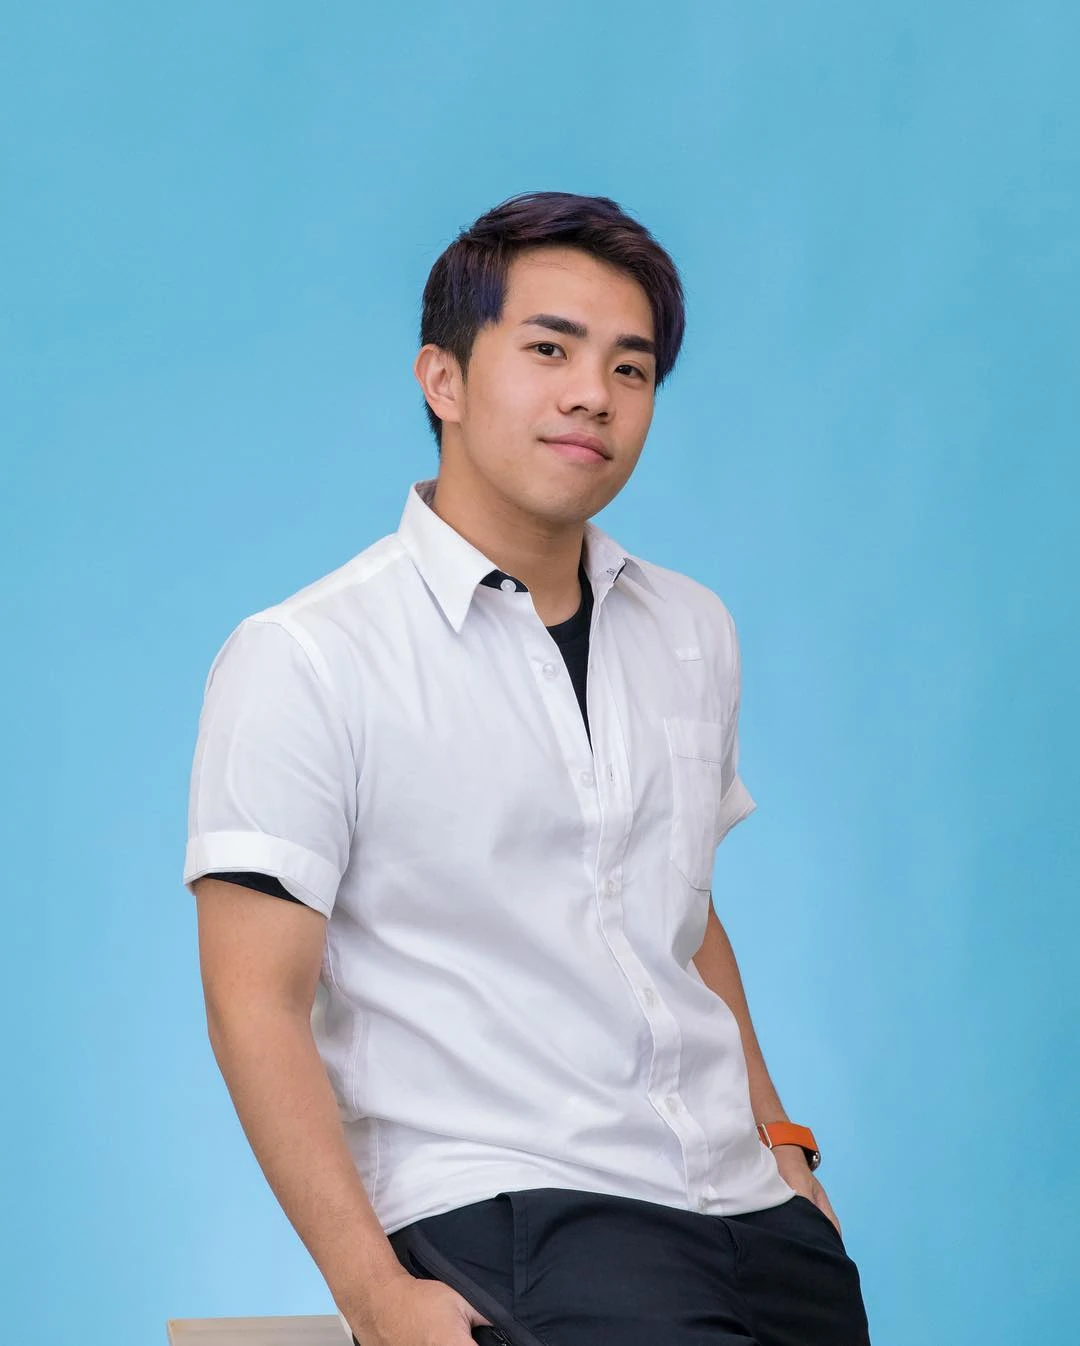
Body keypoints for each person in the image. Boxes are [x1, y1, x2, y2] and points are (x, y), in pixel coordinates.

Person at [184, 191, 872, 1346]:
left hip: (756, 1215)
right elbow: (253, 999)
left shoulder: (691, 626)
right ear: (443, 380)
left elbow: (680, 911)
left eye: (630, 368)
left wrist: (784, 1144)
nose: (593, 393)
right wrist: (373, 1292)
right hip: (521, 1207)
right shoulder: (306, 656)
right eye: (550, 349)